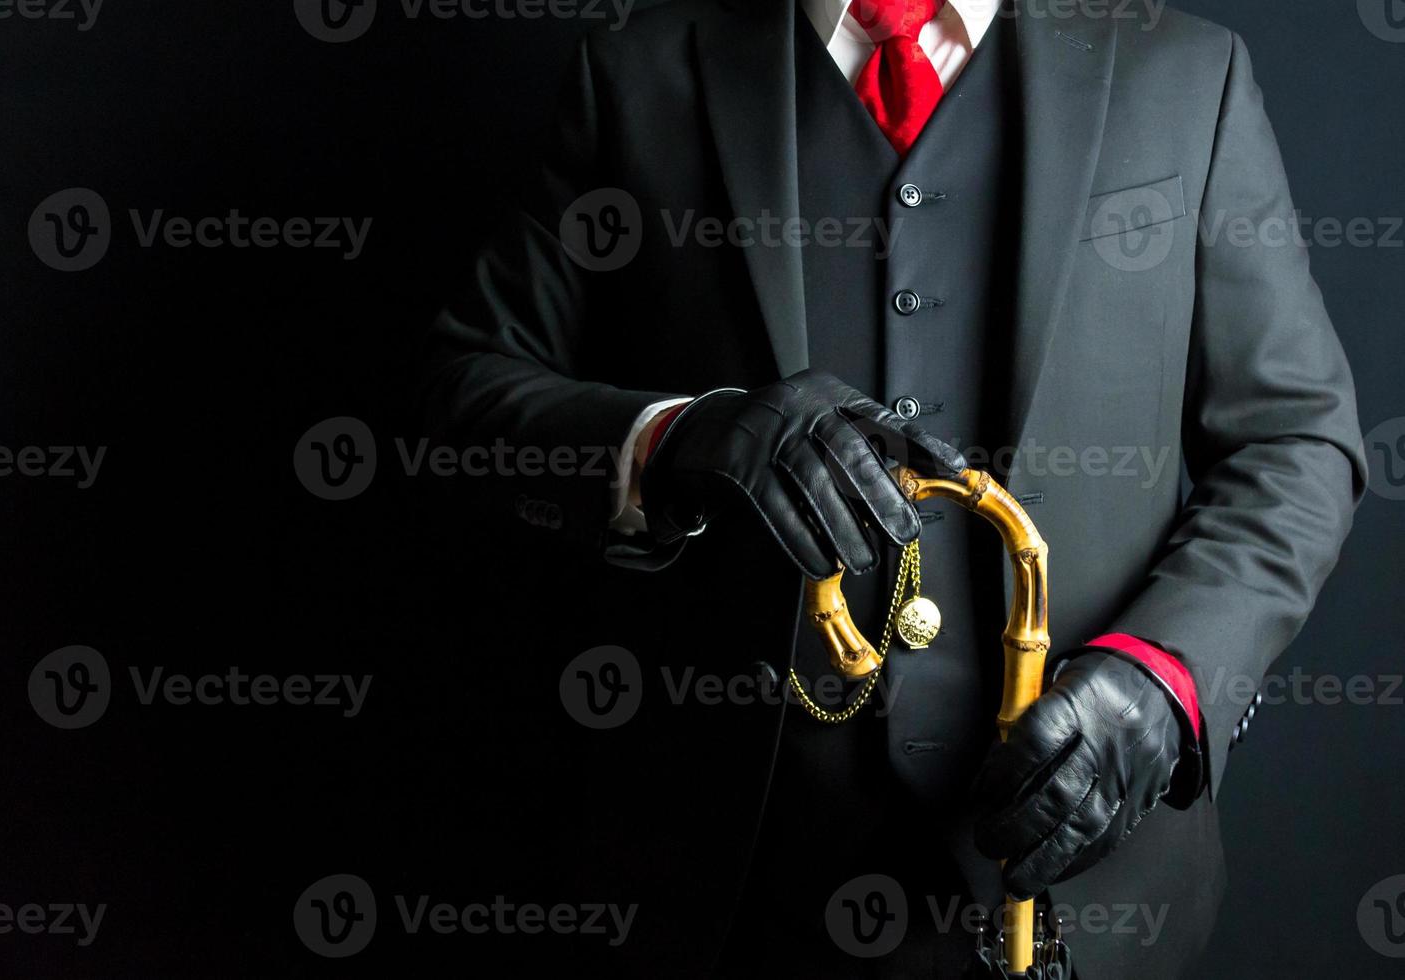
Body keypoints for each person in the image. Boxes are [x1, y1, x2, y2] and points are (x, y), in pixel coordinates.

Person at [423, 0, 1366, 975]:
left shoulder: (1187, 72)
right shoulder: (634, 73)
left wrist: (1166, 682)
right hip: (728, 896)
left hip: (1093, 907)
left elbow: (1296, 438)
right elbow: (466, 395)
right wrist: (681, 436)